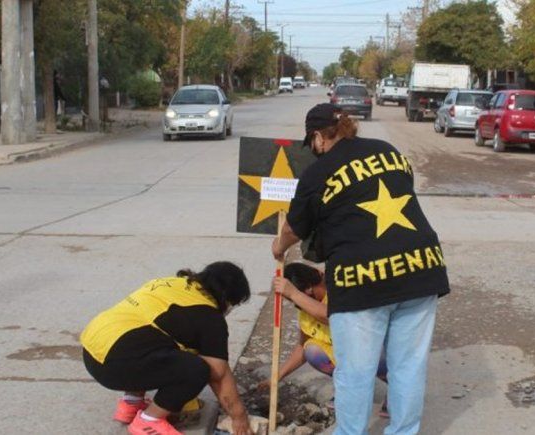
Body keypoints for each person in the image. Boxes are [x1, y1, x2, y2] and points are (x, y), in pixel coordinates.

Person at [272, 104, 450, 435]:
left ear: (318, 137)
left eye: (312, 143)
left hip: (362, 280)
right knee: (408, 366)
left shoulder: (317, 173)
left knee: (355, 371)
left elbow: (295, 228)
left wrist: (278, 247)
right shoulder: (388, 150)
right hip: (421, 267)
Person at [80, 262, 254, 435]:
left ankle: (131, 403)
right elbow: (218, 375)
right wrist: (239, 417)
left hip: (92, 352)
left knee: (150, 339)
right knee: (198, 370)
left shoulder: (169, 283)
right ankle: (148, 421)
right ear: (226, 298)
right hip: (115, 366)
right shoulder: (210, 317)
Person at [258, 250, 389, 417]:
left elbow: (332, 316)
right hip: (352, 355)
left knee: (374, 351)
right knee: (312, 350)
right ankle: (350, 389)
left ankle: (396, 387)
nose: (305, 303)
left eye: (309, 296)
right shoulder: (305, 308)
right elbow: (302, 347)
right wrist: (277, 376)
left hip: (377, 346)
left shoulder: (340, 287)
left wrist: (294, 294)